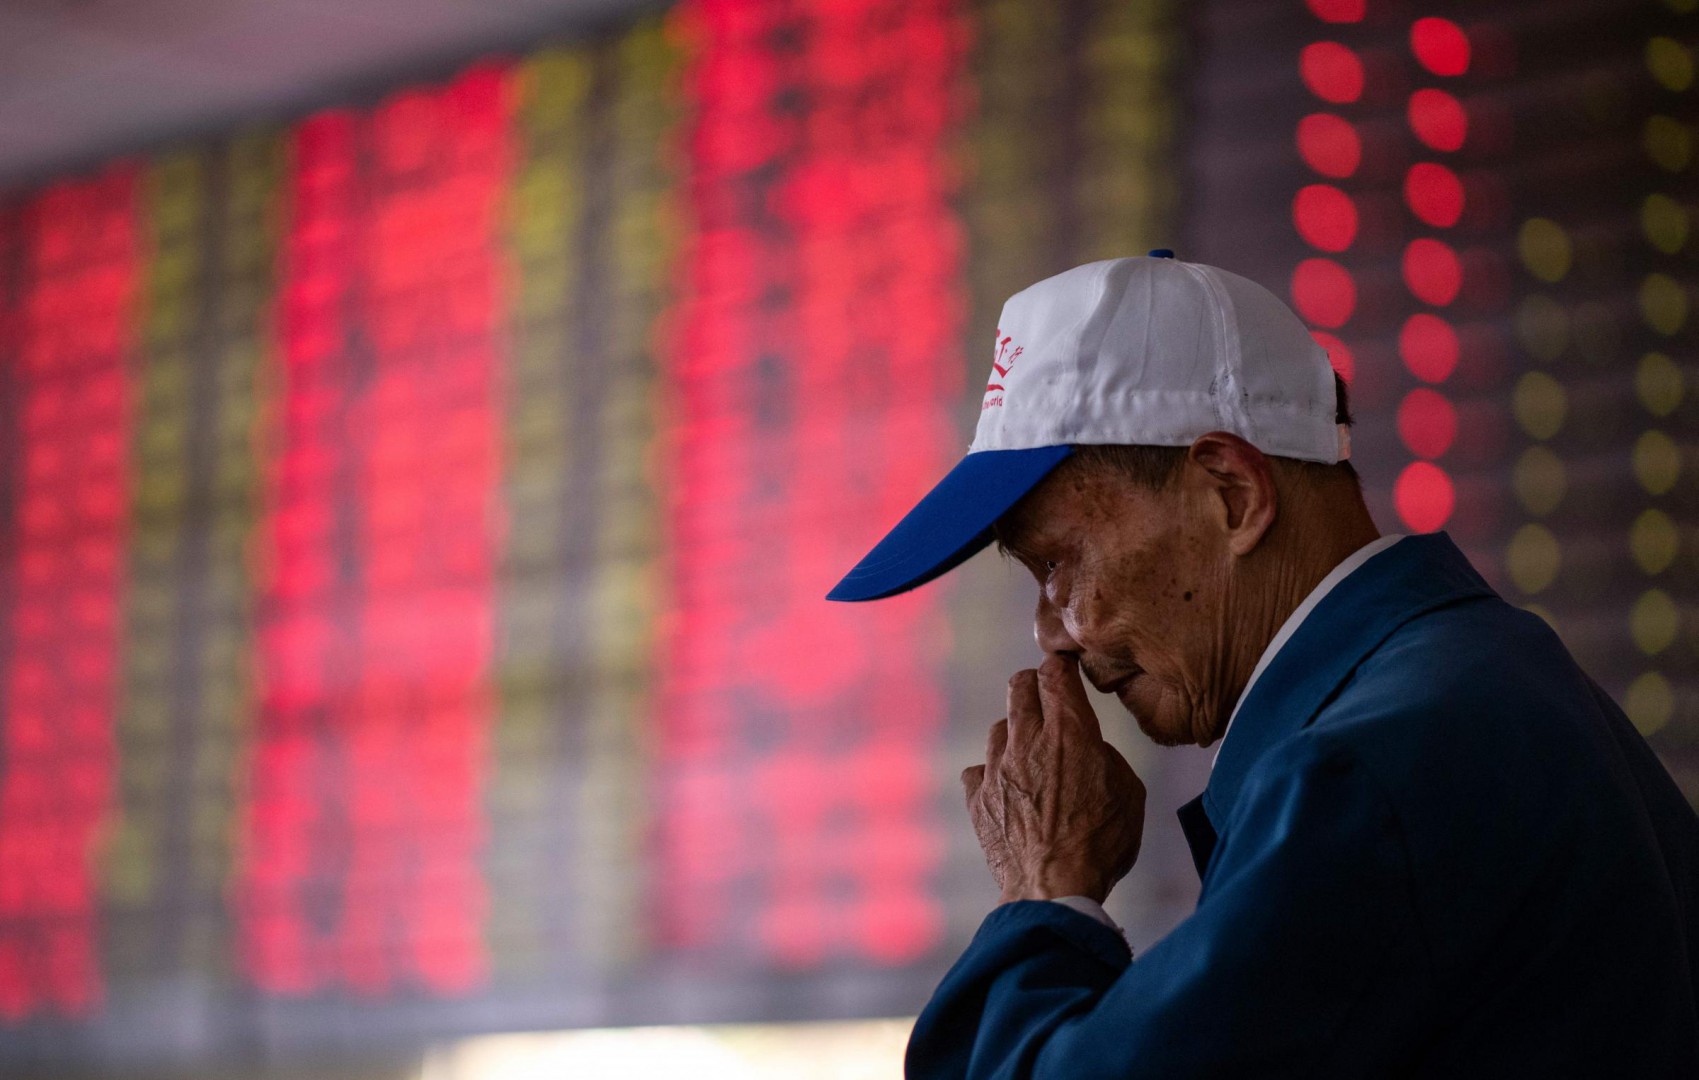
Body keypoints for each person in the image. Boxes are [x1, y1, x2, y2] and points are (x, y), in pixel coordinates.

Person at [828, 253, 1699, 1077]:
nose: (1050, 633)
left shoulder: (1368, 766)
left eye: (1057, 562)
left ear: (1233, 495)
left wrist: (1046, 890)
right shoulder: (1475, 684)